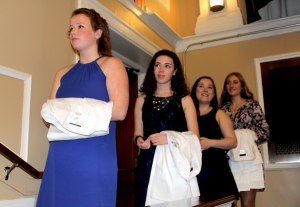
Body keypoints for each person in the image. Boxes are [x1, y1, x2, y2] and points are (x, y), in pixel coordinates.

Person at [37, 8, 129, 207]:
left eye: (80, 26)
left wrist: (67, 111)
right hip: (59, 156)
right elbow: (47, 116)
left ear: (98, 33)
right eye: (71, 28)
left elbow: (120, 111)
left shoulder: (112, 65)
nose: (73, 32)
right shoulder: (62, 73)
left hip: (93, 157)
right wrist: (82, 111)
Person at [133, 49, 200, 207]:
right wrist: (139, 141)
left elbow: (195, 138)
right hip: (147, 163)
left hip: (175, 162)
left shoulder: (185, 100)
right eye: (157, 65)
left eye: (167, 66)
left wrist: (169, 138)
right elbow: (137, 133)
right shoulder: (141, 100)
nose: (161, 70)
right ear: (152, 69)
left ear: (175, 71)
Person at [220, 72, 270, 207]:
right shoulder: (222, 109)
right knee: (230, 203)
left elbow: (265, 132)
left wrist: (246, 134)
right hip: (228, 159)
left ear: (242, 85)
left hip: (249, 159)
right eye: (228, 82)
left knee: (247, 204)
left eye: (235, 82)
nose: (231, 85)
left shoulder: (252, 105)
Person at [191, 76, 239, 199]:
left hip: (215, 171)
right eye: (201, 86)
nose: (205, 90)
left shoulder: (219, 114)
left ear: (213, 94)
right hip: (192, 171)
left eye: (210, 87)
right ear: (194, 91)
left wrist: (210, 143)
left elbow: (232, 141)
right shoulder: (185, 115)